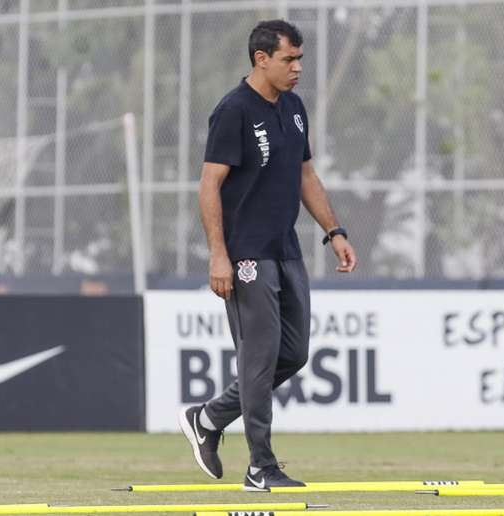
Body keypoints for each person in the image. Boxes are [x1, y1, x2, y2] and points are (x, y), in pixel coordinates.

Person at [178, 19, 357, 490]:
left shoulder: (295, 108)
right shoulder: (233, 110)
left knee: (294, 354)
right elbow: (209, 185)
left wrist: (334, 230)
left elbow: (305, 177)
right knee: (257, 360)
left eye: (299, 59)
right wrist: (219, 255)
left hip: (287, 249)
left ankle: (209, 418)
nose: (298, 68)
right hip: (246, 255)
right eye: (289, 59)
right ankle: (260, 467)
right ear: (262, 59)